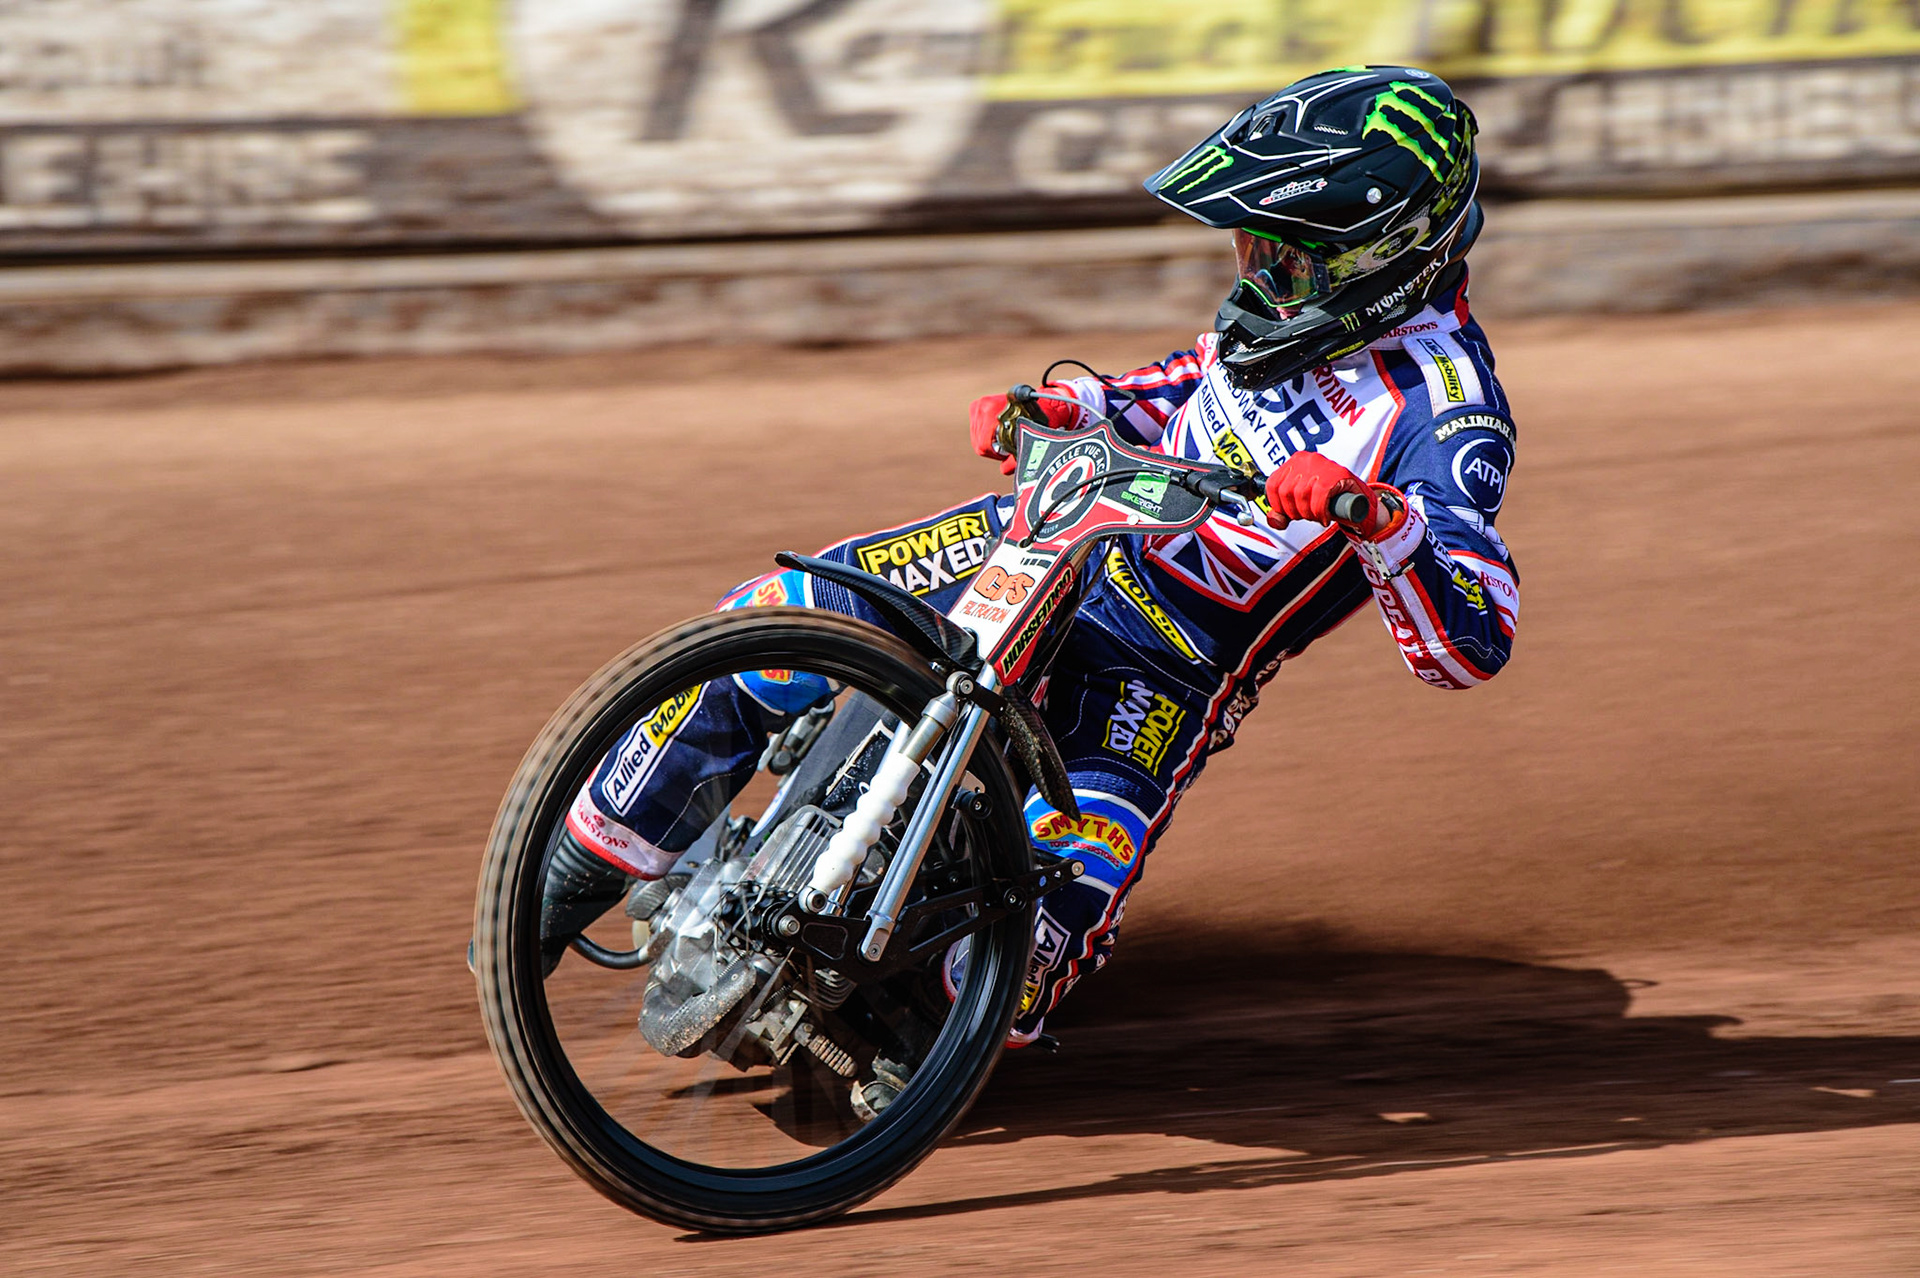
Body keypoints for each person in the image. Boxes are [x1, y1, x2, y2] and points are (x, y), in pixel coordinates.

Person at [543, 66, 1518, 1092]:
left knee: (1008, 988)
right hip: (1050, 539)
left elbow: (1474, 641)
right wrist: (1069, 408)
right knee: (773, 624)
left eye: (1283, 256)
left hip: (1161, 672)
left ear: (1385, 257)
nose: (1255, 274)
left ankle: (900, 1013)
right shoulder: (1281, 321)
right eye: (1250, 248)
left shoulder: (1450, 414)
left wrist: (1381, 521)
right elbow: (1184, 386)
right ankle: (562, 887)